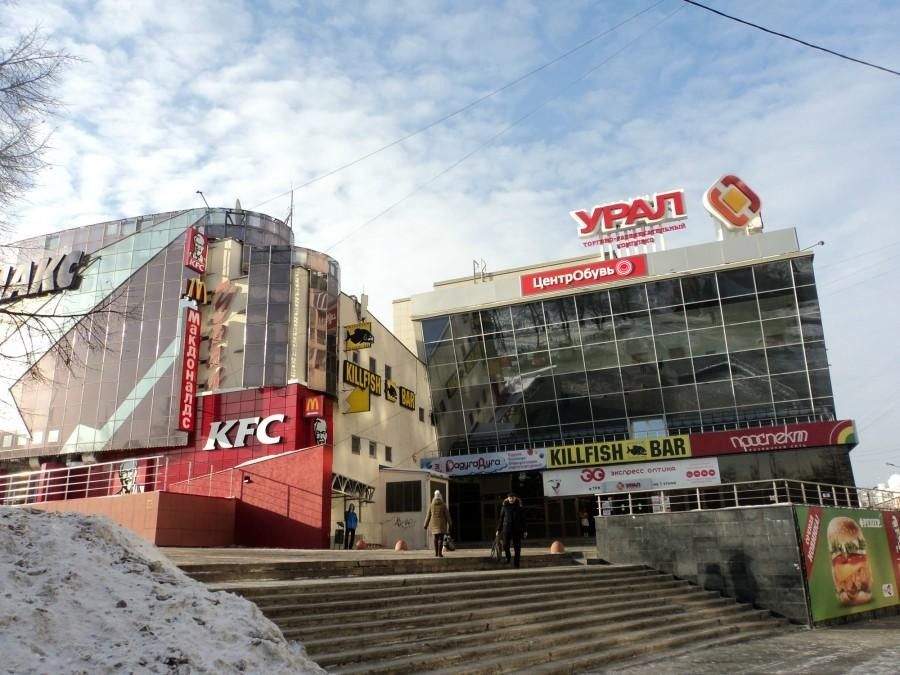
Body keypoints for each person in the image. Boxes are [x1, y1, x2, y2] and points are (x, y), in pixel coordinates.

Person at [496, 492, 527, 568]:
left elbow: (523, 520)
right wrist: (498, 529)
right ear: (508, 498)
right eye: (510, 498)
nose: (511, 499)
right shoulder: (504, 507)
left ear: (515, 498)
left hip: (517, 529)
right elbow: (501, 519)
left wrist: (525, 530)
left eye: (513, 497)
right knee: (505, 545)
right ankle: (508, 557)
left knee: (517, 547)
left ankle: (517, 563)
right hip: (506, 529)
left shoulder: (519, 507)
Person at [423, 490, 452, 557]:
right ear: (440, 496)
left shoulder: (431, 505)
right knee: (440, 538)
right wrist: (450, 523)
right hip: (442, 525)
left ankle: (436, 553)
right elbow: (447, 515)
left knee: (435, 538)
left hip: (434, 525)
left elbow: (428, 516)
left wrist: (425, 525)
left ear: (434, 496)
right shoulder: (443, 505)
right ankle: (440, 553)